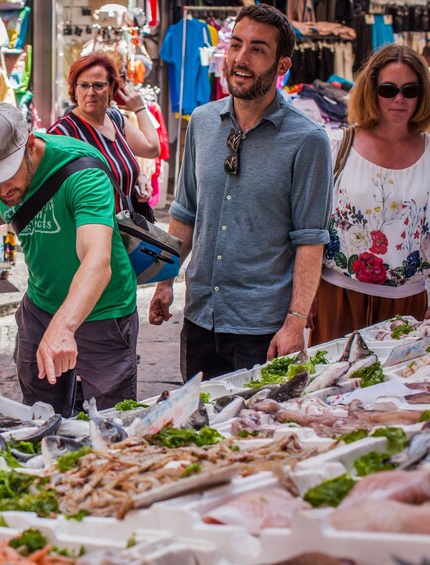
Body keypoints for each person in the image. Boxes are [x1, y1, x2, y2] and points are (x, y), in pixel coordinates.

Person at [148, 4, 333, 380]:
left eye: (258, 49)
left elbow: (310, 240)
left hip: (263, 329)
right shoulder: (201, 122)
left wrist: (295, 324)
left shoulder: (308, 140)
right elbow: (185, 212)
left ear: (282, 66)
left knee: (256, 434)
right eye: (236, 45)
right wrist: (165, 282)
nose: (240, 59)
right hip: (200, 318)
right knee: (197, 431)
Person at [0, 102, 138, 415]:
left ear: (29, 145)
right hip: (40, 308)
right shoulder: (11, 186)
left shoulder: (83, 173)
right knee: (39, 415)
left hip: (103, 314)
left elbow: (97, 259)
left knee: (112, 421)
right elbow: (6, 205)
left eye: (5, 175)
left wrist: (64, 327)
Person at [310, 45, 430, 345]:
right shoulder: (337, 146)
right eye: (388, 89)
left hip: (408, 306)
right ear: (371, 90)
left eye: (410, 90)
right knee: (333, 388)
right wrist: (302, 299)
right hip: (337, 298)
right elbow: (310, 228)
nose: (399, 98)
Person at [47, 52, 161, 215]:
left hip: (125, 233)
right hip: (88, 234)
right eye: (84, 85)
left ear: (111, 88)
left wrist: (137, 177)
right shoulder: (62, 133)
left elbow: (152, 149)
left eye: (99, 85)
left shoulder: (115, 119)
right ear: (74, 89)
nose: (91, 92)